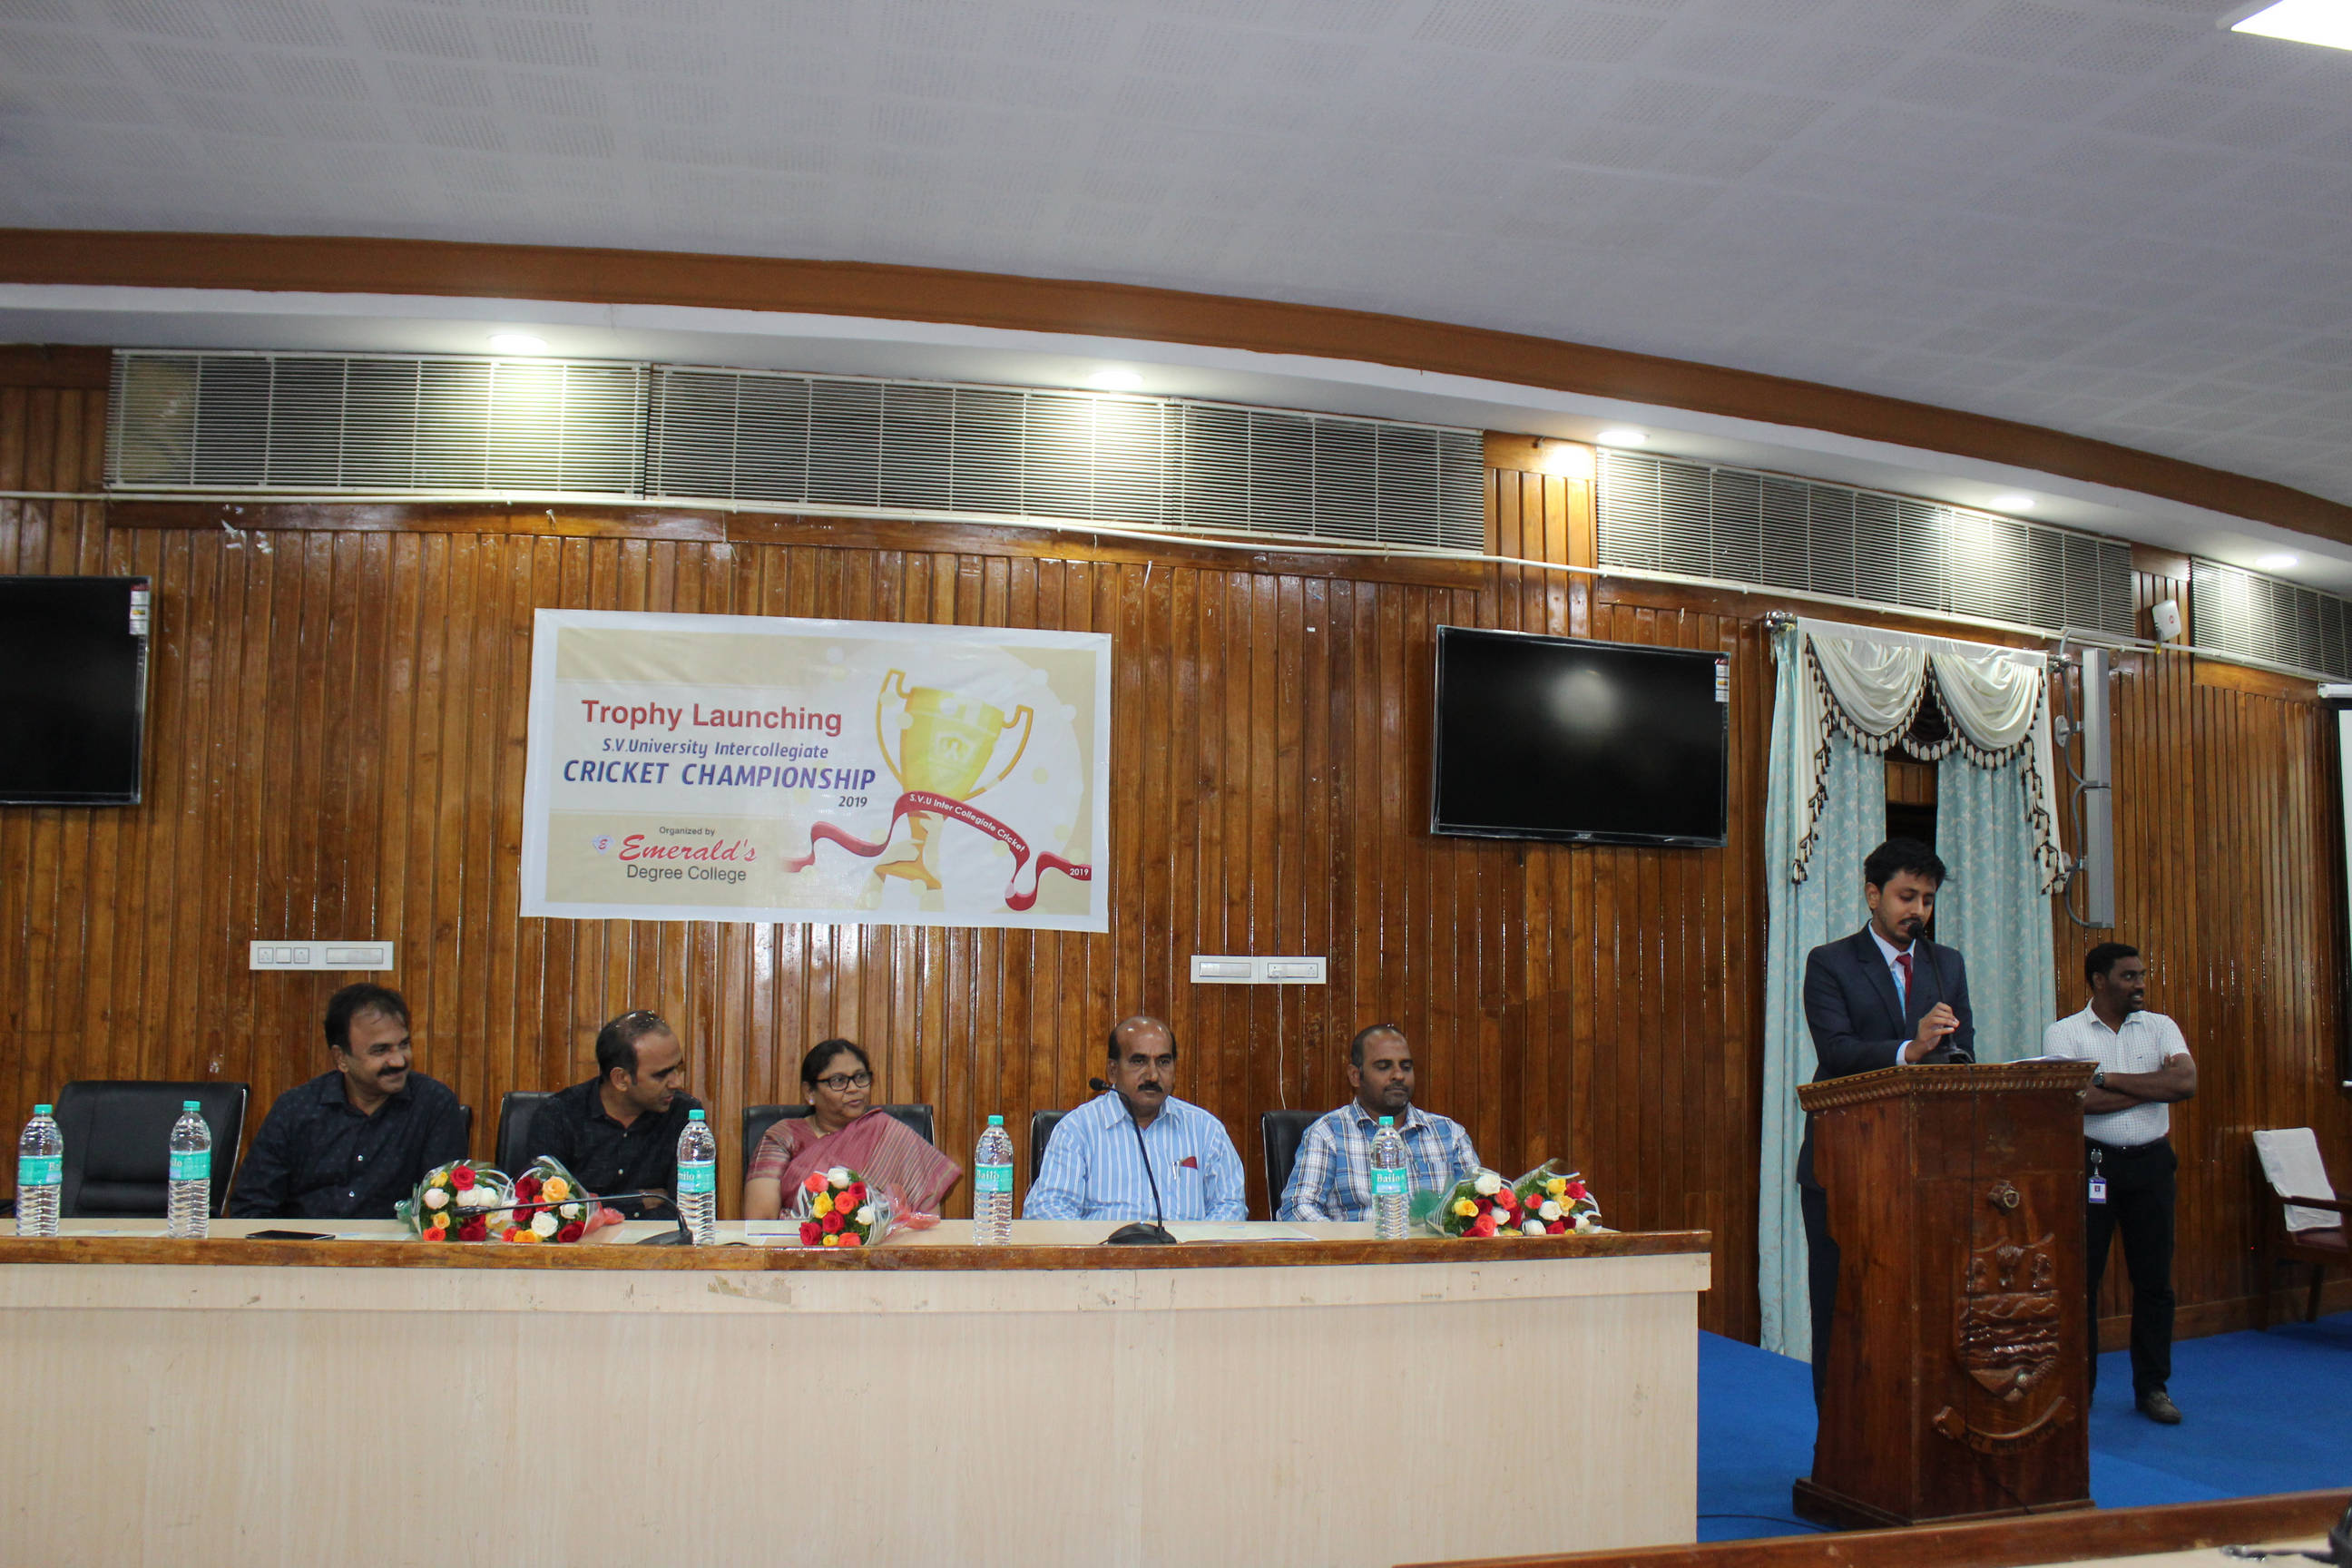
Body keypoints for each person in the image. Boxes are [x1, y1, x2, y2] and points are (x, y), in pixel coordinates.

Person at [1797, 837, 1975, 1404]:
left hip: (1924, 1164)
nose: (1917, 910)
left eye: (1927, 899)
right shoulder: (1830, 962)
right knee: (1842, 1304)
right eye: (1906, 896)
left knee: (1920, 1302)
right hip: (1846, 1161)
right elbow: (1837, 1050)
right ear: (1873, 895)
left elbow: (1964, 1051)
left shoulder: (1947, 964)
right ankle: (1836, 1433)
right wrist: (1910, 1050)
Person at [2043, 942, 2196, 1425]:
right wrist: (2152, 1086)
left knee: (2154, 1282)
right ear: (2098, 981)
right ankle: (2079, 1390)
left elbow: (2185, 1084)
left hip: (2152, 1165)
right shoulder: (2064, 1033)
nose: (2140, 984)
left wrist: (2106, 1079)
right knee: (2081, 1283)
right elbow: (2076, 1102)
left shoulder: (2161, 1027)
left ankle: (2153, 1387)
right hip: (2092, 1165)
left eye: (2141, 975)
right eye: (2129, 976)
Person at [230, 983, 468, 1219]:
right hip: (303, 1242)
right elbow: (252, 1206)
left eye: (403, 1045)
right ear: (341, 1058)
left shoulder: (433, 1105)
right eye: (380, 1050)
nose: (398, 1061)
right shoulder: (296, 1109)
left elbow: (445, 1209)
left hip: (396, 1243)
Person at [1025, 1015, 1247, 1223]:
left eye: (1163, 1062)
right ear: (1113, 1071)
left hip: (1185, 1251)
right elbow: (1046, 1209)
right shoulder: (1078, 1129)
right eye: (1139, 1061)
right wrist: (1100, 1247)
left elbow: (1230, 1206)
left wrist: (1195, 1247)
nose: (1153, 1075)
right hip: (1105, 1250)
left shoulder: (1206, 1130)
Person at [1278, 1024, 1479, 1221]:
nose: (1398, 1075)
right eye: (1384, 1067)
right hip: (1358, 1242)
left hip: (1436, 1244)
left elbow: (1481, 1206)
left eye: (1406, 1067)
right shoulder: (1328, 1133)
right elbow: (1297, 1208)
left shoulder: (1449, 1133)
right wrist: (1345, 1241)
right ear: (1355, 1076)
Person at [743, 1040, 962, 1220]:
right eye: (839, 1081)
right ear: (810, 1092)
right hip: (797, 1251)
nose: (854, 1088)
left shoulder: (891, 1134)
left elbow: (926, 1218)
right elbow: (760, 1219)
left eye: (860, 1077)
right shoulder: (784, 1136)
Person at [520, 1009, 702, 1215]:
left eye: (678, 1068)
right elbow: (543, 1210)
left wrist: (590, 1205)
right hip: (586, 1238)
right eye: (661, 1075)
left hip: (659, 1236)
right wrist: (637, 1201)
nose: (677, 1082)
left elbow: (689, 1211)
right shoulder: (558, 1115)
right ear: (621, 1079)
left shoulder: (686, 1115)